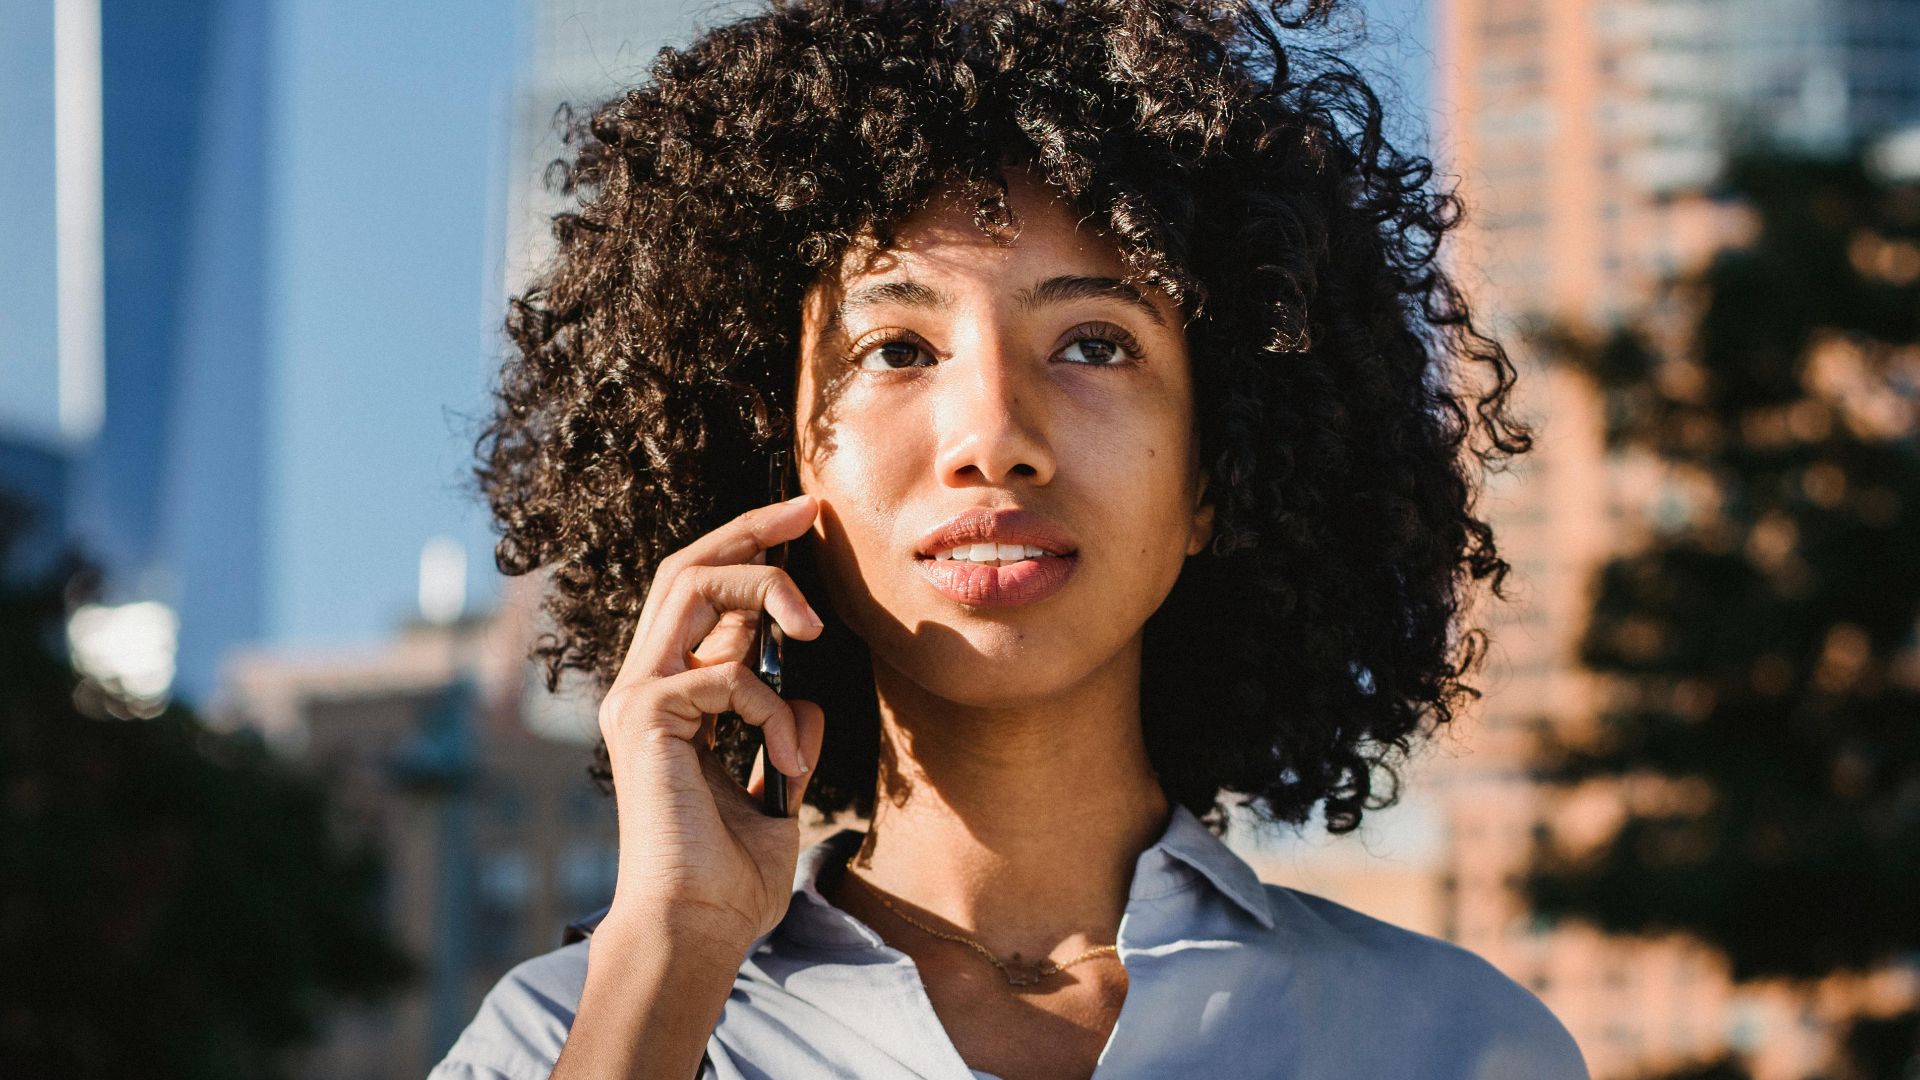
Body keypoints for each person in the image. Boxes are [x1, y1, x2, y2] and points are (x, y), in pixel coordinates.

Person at [433, 1, 1589, 1077]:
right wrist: (672, 954)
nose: (992, 437)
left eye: (1095, 343)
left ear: (1217, 475)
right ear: (777, 461)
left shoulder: (1453, 1044)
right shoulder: (561, 1036)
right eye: (896, 350)